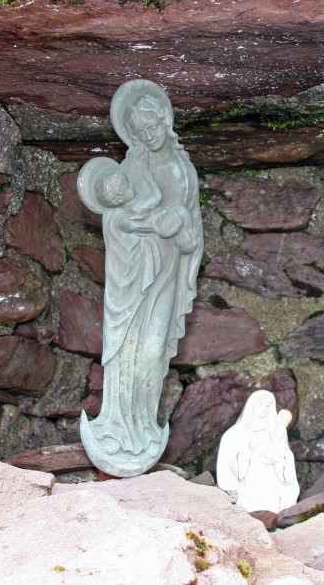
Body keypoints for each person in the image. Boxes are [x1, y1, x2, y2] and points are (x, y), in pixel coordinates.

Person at [78, 80, 203, 477]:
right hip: (135, 279)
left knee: (152, 351)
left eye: (151, 127)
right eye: (138, 132)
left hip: (166, 273)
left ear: (165, 120)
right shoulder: (133, 166)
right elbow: (116, 214)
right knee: (129, 347)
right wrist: (152, 223)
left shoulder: (185, 170)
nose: (147, 136)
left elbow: (190, 230)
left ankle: (143, 426)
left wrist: (182, 233)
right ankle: (116, 426)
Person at [217, 390, 300, 513]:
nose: (264, 408)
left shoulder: (276, 430)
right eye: (261, 404)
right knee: (250, 505)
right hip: (248, 480)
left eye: (268, 406)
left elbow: (285, 453)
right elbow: (227, 462)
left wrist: (277, 459)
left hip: (270, 478)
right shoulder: (236, 433)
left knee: (271, 504)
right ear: (252, 405)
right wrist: (245, 456)